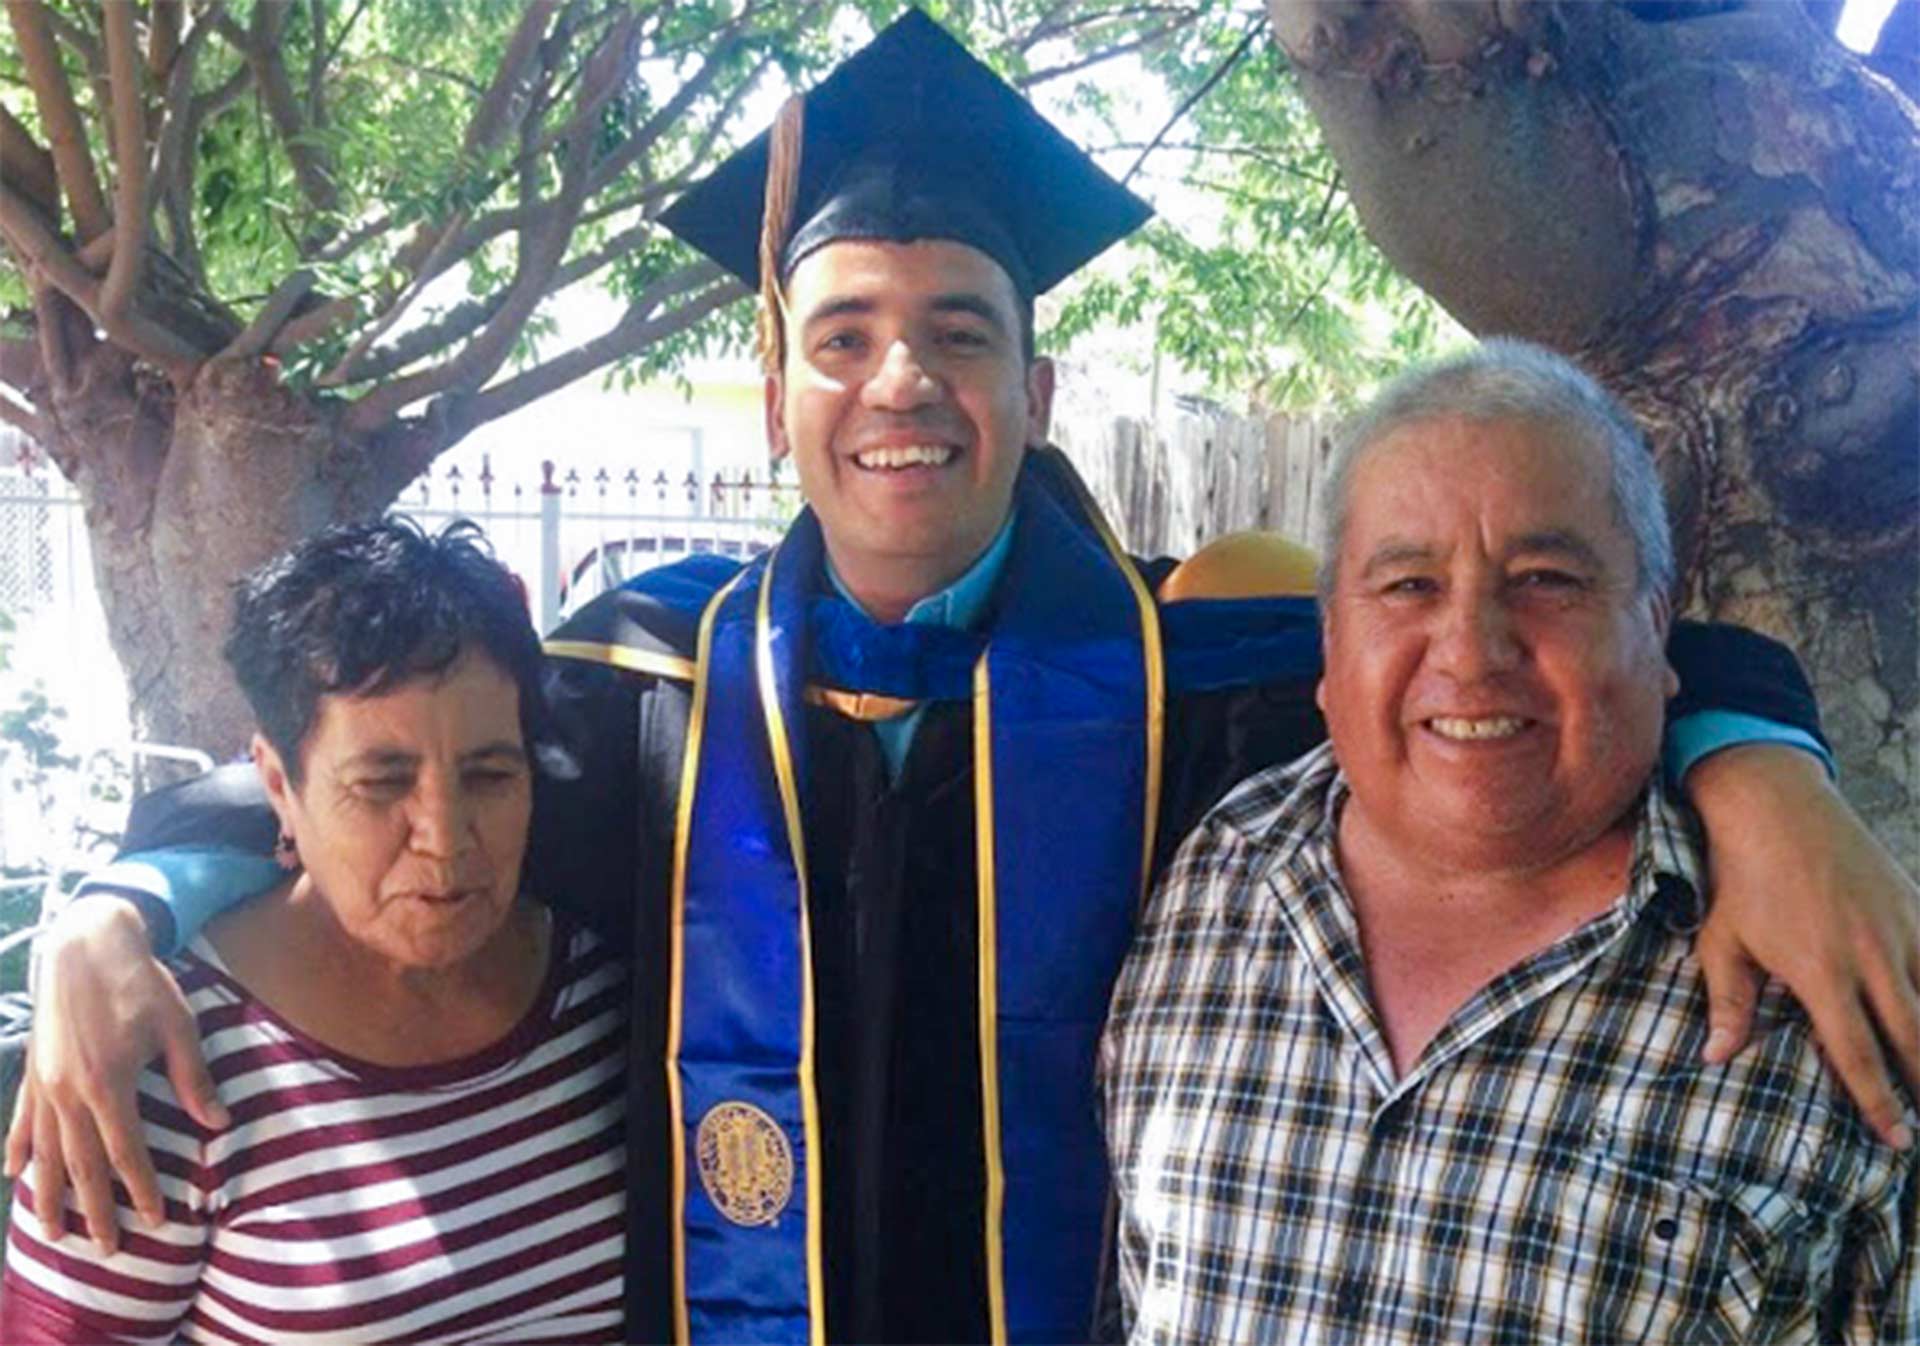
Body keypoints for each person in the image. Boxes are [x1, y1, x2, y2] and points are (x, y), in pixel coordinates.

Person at [10, 12, 1916, 1344]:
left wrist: (1757, 751)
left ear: (1036, 385)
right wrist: (118, 902)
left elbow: (1503, 673)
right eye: (841, 336)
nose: (901, 380)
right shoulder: (636, 686)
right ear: (775, 392)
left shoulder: (1212, 682)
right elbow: (358, 764)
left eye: (958, 331)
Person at [1102, 341, 1918, 1343]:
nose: (1472, 649)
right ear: (1326, 646)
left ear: (1659, 627)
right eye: (1406, 585)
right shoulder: (1205, 883)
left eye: (1545, 578)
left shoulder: (1831, 990)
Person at [0, 519, 628, 1343]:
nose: (444, 833)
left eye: (490, 774)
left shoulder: (612, 992)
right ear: (276, 782)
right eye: (381, 783)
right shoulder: (152, 1055)